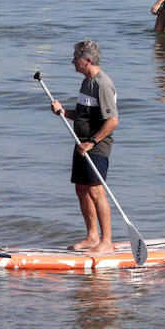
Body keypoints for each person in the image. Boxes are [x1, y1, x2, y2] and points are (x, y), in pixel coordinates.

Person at [49, 39, 120, 255]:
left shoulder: (102, 83)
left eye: (75, 58)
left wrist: (93, 142)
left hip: (96, 145)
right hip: (81, 143)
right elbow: (83, 115)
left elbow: (113, 120)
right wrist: (63, 112)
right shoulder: (86, 82)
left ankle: (106, 242)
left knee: (96, 191)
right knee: (81, 189)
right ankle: (92, 237)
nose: (72, 61)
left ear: (87, 61)